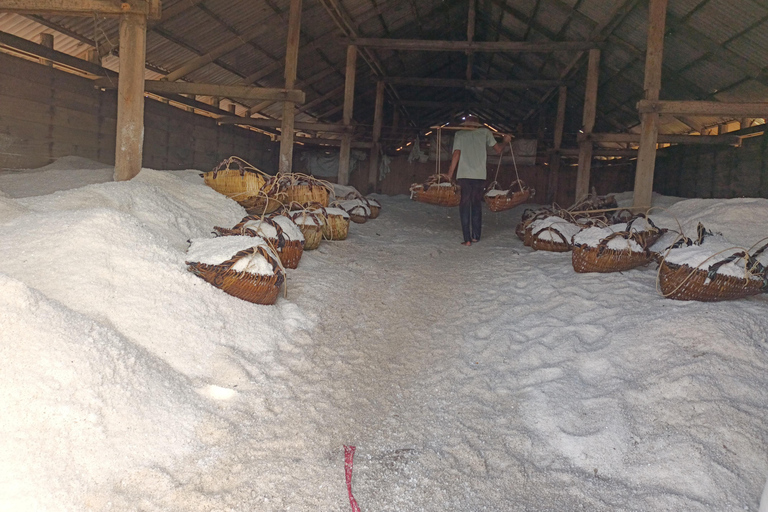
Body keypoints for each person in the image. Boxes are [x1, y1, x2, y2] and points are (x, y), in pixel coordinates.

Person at [446, 115, 512, 246]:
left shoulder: (460, 134)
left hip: (464, 175)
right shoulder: (485, 133)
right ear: (478, 125)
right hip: (480, 175)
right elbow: (498, 150)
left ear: (466, 124)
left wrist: (449, 174)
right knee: (476, 204)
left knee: (464, 206)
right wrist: (505, 141)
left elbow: (456, 154)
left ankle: (467, 239)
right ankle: (476, 236)